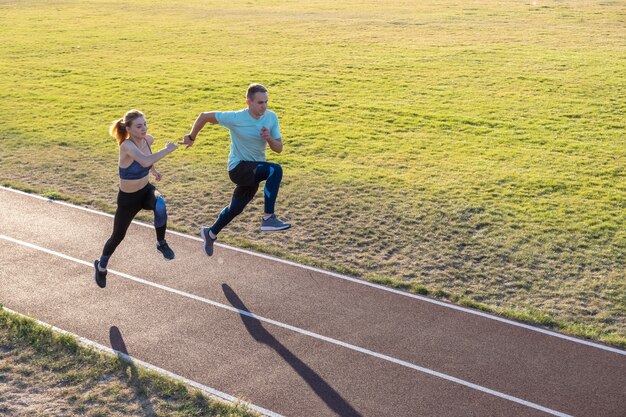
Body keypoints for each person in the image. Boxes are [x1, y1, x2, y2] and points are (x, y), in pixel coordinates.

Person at [179, 83, 291, 257]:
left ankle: (210, 233)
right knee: (275, 170)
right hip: (238, 168)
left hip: (254, 168)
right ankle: (269, 217)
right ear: (249, 102)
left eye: (266, 102)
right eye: (260, 102)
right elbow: (203, 116)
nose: (264, 106)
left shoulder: (271, 117)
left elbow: (279, 149)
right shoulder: (236, 118)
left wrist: (269, 138)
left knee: (236, 208)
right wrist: (191, 137)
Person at [94, 109, 178, 288]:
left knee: (161, 205)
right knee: (117, 237)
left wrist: (153, 171)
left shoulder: (148, 140)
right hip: (128, 199)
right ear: (129, 129)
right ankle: (101, 267)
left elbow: (148, 160)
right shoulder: (126, 146)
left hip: (146, 191)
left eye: (145, 124)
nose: (144, 129)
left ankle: (161, 243)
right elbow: (144, 160)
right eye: (139, 126)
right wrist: (167, 150)